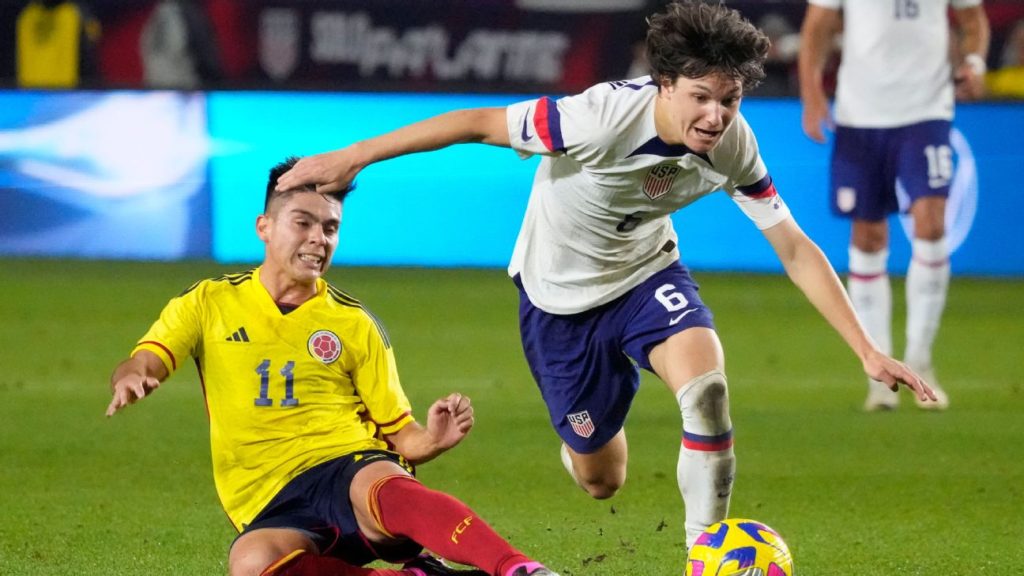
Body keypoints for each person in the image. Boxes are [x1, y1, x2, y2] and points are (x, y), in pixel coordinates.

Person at [275, 0, 937, 558]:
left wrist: (866, 350)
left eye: (729, 100)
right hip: (558, 302)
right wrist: (354, 156)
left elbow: (792, 245)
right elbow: (476, 124)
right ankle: (582, 446)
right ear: (665, 85)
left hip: (648, 274)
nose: (715, 116)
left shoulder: (735, 144)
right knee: (601, 478)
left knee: (707, 393)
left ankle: (703, 555)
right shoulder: (596, 118)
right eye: (701, 97)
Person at [106, 157, 560, 576]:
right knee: (251, 563)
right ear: (264, 227)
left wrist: (432, 440)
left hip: (348, 467)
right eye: (302, 222)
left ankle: (518, 568)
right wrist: (132, 375)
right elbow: (146, 358)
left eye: (330, 227)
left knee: (382, 486)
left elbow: (400, 434)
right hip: (268, 499)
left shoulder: (353, 323)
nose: (317, 239)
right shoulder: (208, 302)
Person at [798, 0, 990, 411]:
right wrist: (812, 94)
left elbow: (973, 19)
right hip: (860, 114)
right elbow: (817, 27)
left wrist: (974, 62)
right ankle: (880, 371)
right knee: (867, 235)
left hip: (927, 110)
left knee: (931, 223)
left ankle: (920, 359)